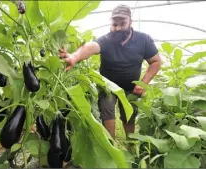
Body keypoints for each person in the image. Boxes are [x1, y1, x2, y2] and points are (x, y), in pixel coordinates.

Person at [58, 4, 161, 139]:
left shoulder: (143, 40)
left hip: (131, 87)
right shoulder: (107, 39)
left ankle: (130, 144)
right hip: (108, 88)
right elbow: (91, 47)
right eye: (114, 24)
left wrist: (143, 82)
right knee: (107, 112)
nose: (117, 28)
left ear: (130, 22)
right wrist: (74, 57)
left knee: (129, 117)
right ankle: (111, 146)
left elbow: (156, 62)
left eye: (122, 23)